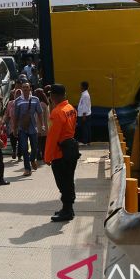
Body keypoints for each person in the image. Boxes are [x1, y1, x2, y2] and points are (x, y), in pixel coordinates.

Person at [45, 84, 81, 222]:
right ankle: (68, 208)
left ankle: (67, 210)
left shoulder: (57, 112)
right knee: (69, 180)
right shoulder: (70, 108)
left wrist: (47, 156)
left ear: (54, 96)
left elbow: (52, 137)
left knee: (63, 182)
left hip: (61, 153)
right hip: (71, 149)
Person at [14, 82, 43, 176]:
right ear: (21, 89)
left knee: (35, 147)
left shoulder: (35, 99)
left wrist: (41, 125)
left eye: (27, 87)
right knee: (24, 148)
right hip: (22, 128)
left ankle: (32, 160)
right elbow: (15, 116)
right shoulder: (18, 101)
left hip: (33, 128)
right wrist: (14, 128)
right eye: (23, 87)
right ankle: (27, 169)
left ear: (30, 88)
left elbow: (39, 113)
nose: (25, 89)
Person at [3, 89, 21, 159]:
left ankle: (19, 154)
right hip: (11, 125)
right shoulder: (10, 103)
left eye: (19, 94)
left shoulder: (23, 103)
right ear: (14, 95)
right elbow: (7, 113)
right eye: (17, 94)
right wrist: (4, 122)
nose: (18, 96)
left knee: (21, 140)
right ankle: (14, 151)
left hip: (21, 125)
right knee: (13, 139)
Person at [33, 88, 50, 162]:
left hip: (41, 127)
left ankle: (41, 155)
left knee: (40, 143)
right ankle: (44, 155)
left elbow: (39, 118)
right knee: (44, 142)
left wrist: (38, 129)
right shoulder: (45, 104)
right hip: (46, 127)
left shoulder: (40, 105)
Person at [77, 81, 92, 145]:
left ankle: (84, 141)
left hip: (84, 114)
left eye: (80, 85)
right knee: (87, 128)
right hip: (85, 114)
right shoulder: (84, 94)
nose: (80, 87)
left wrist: (84, 115)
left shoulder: (85, 95)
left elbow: (85, 106)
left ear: (83, 87)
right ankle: (88, 141)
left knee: (84, 128)